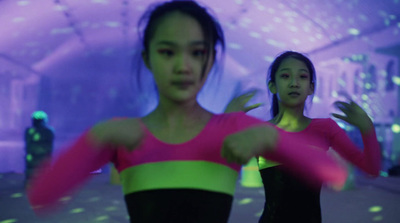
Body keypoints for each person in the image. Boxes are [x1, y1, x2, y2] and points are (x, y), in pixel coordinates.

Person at [26, 2, 347, 222]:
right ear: (148, 57)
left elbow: (332, 174)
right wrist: (98, 138)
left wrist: (266, 135)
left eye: (197, 52)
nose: (183, 65)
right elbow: (42, 194)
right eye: (167, 51)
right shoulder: (120, 134)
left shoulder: (233, 127)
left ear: (210, 60)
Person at [226, 51, 381, 223]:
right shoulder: (259, 131)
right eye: (285, 76)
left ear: (311, 87)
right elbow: (220, 170)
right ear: (272, 86)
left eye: (302, 76)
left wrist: (367, 128)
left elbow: (371, 169)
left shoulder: (325, 128)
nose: (294, 83)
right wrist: (226, 125)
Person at [24, 111, 55, 187]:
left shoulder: (48, 131)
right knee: (31, 169)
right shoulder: (30, 131)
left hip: (43, 156)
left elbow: (48, 145)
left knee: (44, 169)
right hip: (33, 156)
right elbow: (28, 144)